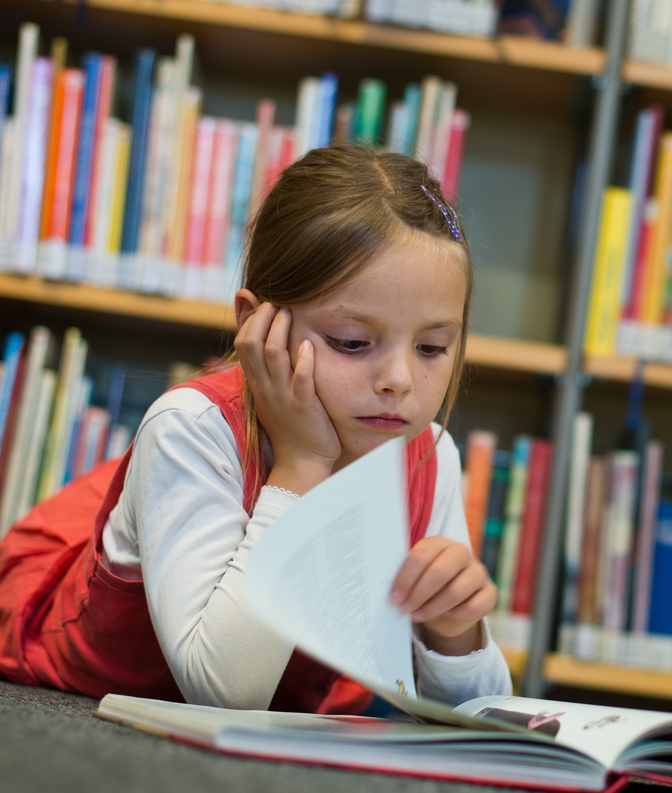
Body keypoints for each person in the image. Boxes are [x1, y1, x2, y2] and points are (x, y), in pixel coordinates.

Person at [0, 146, 512, 713]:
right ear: (257, 325)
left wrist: (455, 632)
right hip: (70, 681)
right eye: (351, 341)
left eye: (433, 347)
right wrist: (303, 464)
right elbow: (224, 691)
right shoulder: (189, 429)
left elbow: (482, 712)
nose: (399, 379)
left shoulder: (430, 456)